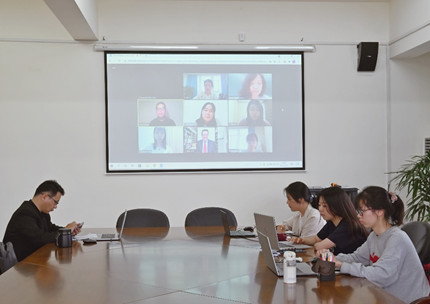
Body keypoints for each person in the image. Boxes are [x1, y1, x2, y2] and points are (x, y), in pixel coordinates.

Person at [331, 186, 430, 303]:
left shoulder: (397, 238)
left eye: (361, 211)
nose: (358, 215)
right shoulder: (374, 236)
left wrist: (342, 266)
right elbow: (357, 258)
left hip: (408, 300)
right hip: (385, 296)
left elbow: (382, 275)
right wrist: (333, 258)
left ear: (379, 211)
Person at [3, 180, 81, 262]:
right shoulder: (25, 213)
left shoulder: (42, 212)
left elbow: (50, 228)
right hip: (20, 267)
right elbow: (40, 238)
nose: (55, 207)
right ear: (44, 197)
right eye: (56, 202)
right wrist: (65, 231)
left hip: (33, 262)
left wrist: (68, 232)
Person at [291, 186, 368, 255]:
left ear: (336, 205)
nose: (320, 209)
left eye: (324, 206)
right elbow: (316, 239)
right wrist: (301, 240)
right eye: (319, 205)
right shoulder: (332, 222)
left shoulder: (347, 225)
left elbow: (319, 246)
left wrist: (318, 244)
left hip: (352, 266)